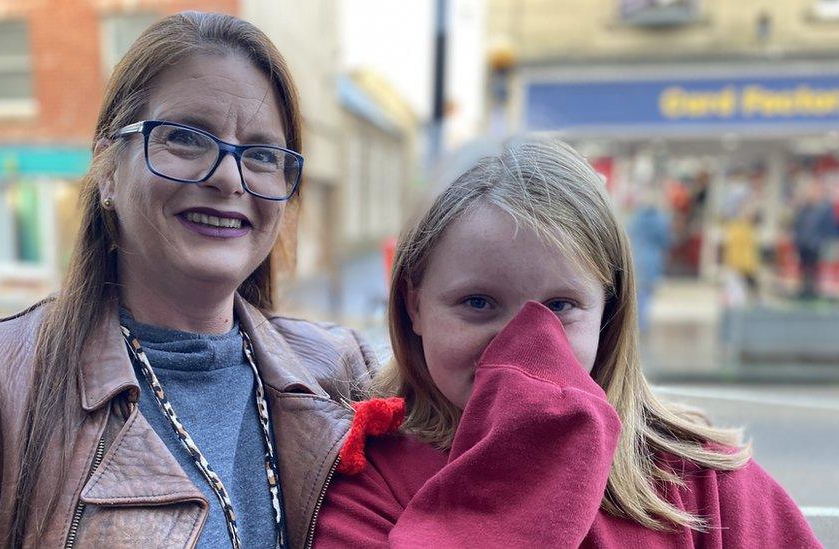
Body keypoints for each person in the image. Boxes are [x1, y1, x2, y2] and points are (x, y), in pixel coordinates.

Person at [0, 12, 375, 548]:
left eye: (263, 155)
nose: (229, 176)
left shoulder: (342, 376)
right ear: (107, 167)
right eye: (184, 138)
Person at [314, 138, 821, 548]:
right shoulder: (362, 479)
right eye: (477, 303)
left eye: (559, 307)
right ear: (414, 306)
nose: (521, 349)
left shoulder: (704, 482)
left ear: (608, 312)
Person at [627, 188, 671, 331]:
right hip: (653, 258)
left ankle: (636, 320)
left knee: (638, 291)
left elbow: (629, 235)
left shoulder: (636, 218)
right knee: (647, 291)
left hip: (637, 257)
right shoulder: (661, 220)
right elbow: (665, 241)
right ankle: (642, 322)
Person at [793, 179, 836, 299]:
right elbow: (798, 224)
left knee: (814, 267)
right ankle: (803, 289)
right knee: (803, 266)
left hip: (816, 243)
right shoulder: (804, 208)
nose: (812, 193)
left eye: (815, 191)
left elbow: (830, 226)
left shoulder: (825, 208)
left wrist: (824, 240)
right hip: (803, 242)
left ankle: (813, 290)